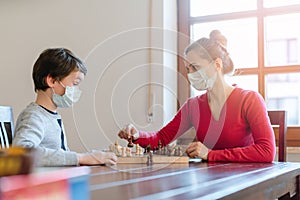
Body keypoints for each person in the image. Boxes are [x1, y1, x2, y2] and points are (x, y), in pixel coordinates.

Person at [118, 30, 276, 162]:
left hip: (246, 184)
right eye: (187, 69)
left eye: (195, 67)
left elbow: (267, 151)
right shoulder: (193, 106)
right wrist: (137, 135)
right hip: (210, 183)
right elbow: (162, 138)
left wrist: (210, 155)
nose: (190, 74)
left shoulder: (249, 100)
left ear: (217, 64)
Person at [13, 48, 117, 166]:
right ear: (52, 81)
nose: (76, 90)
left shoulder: (51, 116)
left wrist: (92, 157)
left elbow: (60, 156)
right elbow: (22, 152)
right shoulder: (34, 116)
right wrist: (80, 158)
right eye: (75, 84)